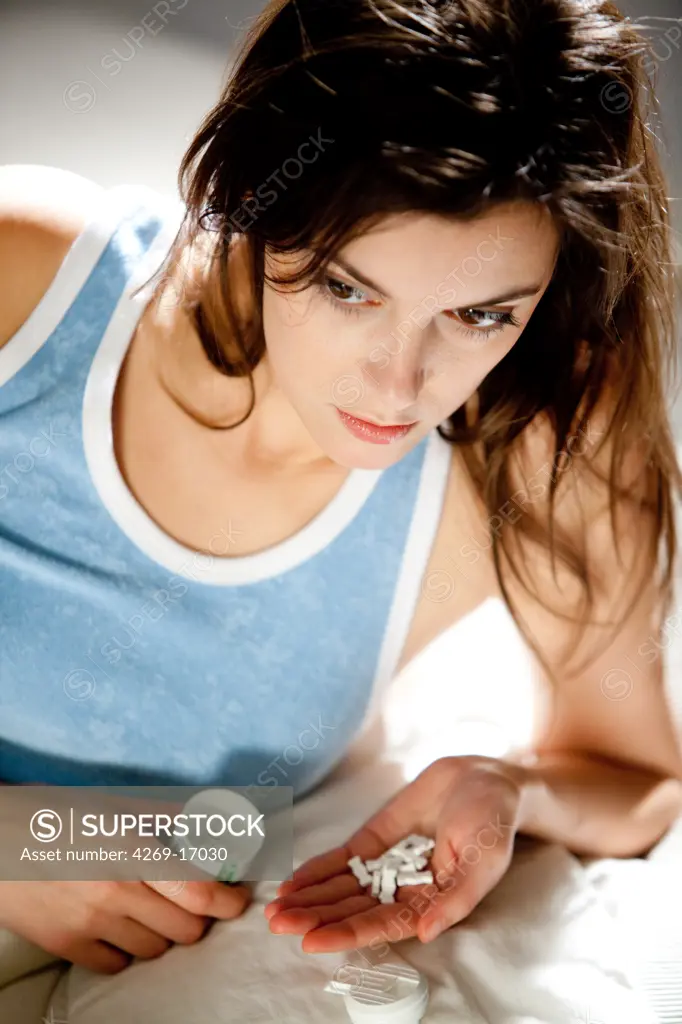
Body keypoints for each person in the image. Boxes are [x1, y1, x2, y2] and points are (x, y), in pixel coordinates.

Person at [0, 0, 681, 983]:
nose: (399, 385)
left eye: (480, 314)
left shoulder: (535, 439)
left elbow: (640, 778)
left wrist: (505, 784)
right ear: (255, 197)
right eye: (346, 289)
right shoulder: (30, 290)